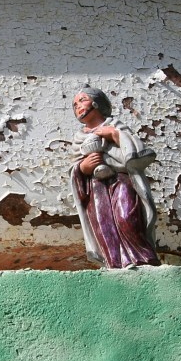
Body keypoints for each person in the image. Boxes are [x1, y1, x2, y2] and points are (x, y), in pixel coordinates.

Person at [69, 86, 160, 269]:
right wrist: (83, 167)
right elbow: (74, 169)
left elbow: (137, 151)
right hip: (96, 190)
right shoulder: (79, 137)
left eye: (82, 100)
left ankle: (143, 259)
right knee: (105, 226)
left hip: (121, 181)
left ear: (96, 102)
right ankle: (115, 264)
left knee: (126, 217)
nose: (77, 106)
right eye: (74, 104)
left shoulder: (115, 126)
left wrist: (113, 134)